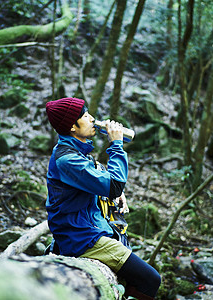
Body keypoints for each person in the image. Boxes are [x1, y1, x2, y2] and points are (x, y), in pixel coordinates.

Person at [45, 97, 161, 300]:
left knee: (132, 274)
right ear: (72, 126)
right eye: (85, 115)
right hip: (80, 238)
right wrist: (116, 144)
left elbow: (98, 174)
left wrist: (114, 194)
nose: (92, 118)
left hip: (88, 228)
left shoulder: (74, 150)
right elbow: (114, 184)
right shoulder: (67, 159)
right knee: (151, 279)